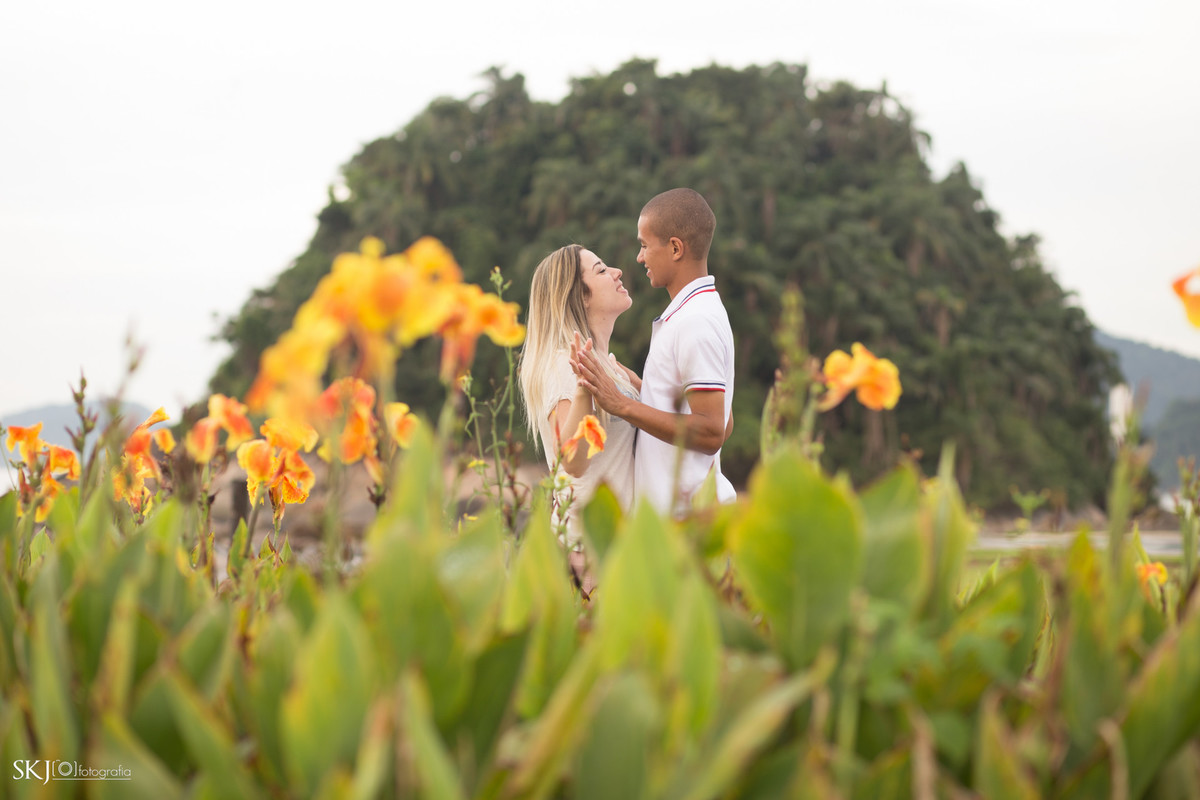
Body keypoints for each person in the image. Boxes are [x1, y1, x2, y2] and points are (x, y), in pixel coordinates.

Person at [574, 188, 736, 516]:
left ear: (675, 248)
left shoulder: (695, 321)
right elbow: (725, 421)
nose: (639, 257)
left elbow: (713, 431)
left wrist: (623, 405)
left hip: (685, 527)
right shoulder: (696, 312)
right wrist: (645, 390)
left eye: (645, 245)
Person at [518, 244, 640, 548]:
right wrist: (584, 388)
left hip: (619, 545)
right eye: (601, 270)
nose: (617, 272)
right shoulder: (566, 364)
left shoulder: (609, 365)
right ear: (581, 296)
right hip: (588, 553)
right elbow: (573, 462)